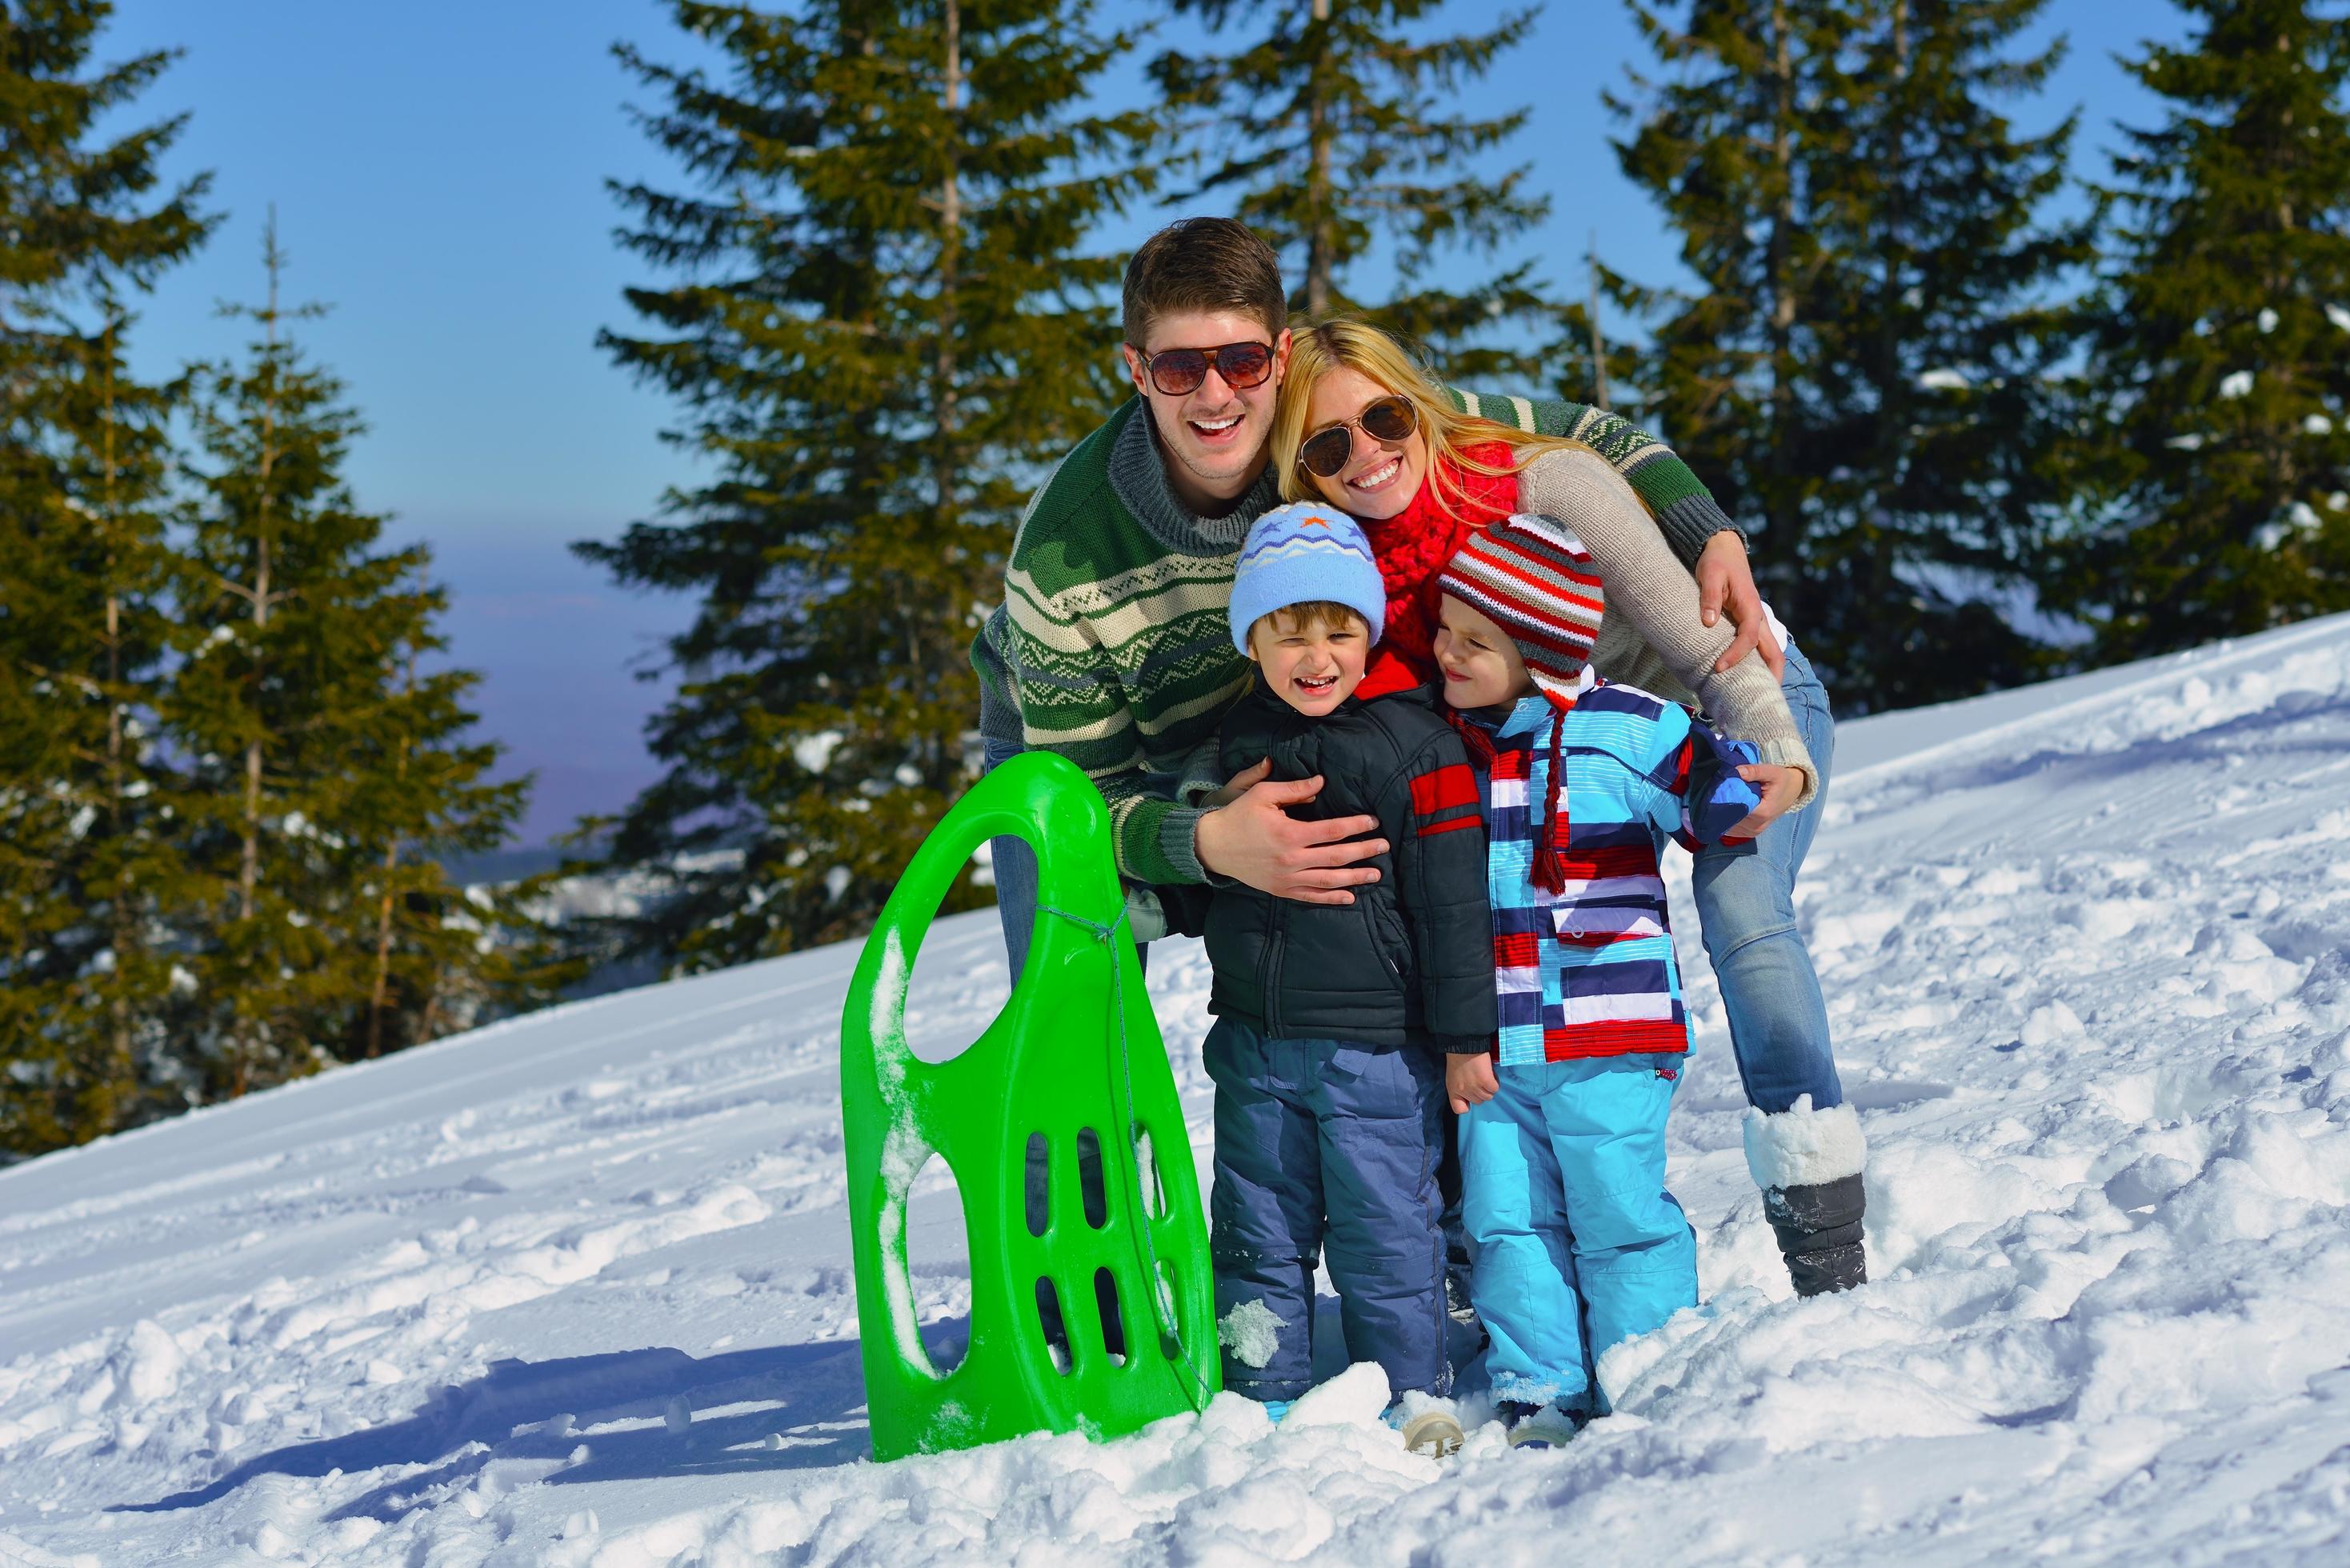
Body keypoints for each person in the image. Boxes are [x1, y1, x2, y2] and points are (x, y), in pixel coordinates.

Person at [967, 217, 1769, 970]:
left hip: (1260, 717)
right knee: (1072, 980)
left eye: (1241, 361)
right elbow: (1087, 801)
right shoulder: (1065, 554)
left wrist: (1709, 529)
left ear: (1279, 357)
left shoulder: (1337, 433)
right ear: (1136, 370)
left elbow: (1587, 434)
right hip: (1076, 739)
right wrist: (1204, 838)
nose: (1215, 397)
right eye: (1180, 368)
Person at [1271, 318, 1868, 1298]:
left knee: (1742, 910)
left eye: (1382, 420)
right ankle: (1492, 1249)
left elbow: (1709, 651)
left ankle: (1825, 1249)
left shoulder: (1544, 486)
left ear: (1418, 407)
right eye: (1328, 445)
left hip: (1728, 706)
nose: (1366, 455)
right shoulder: (1352, 567)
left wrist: (1781, 758)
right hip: (1564, 756)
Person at [1430, 515, 1766, 1443]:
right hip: (1496, 1048)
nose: (1445, 651)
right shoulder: (1453, 744)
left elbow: (1721, 801)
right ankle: (1540, 1387)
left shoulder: (1627, 727)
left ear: (1536, 649)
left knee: (1617, 1212)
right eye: (1444, 630)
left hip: (1609, 1036)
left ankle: (1648, 1372)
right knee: (1507, 1221)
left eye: (1473, 639)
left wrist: (1727, 784)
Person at [1192, 501, 1493, 1458]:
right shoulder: (1233, 746)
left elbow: (1454, 910)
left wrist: (1463, 1039)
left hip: (1377, 1046)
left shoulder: (1420, 747)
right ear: (1254, 640)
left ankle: (1416, 1390)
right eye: (1288, 633)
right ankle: (1263, 1388)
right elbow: (1190, 863)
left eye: (1339, 630)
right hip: (1253, 1036)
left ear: (1369, 636)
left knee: (1385, 1227)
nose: (1315, 655)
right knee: (1254, 1222)